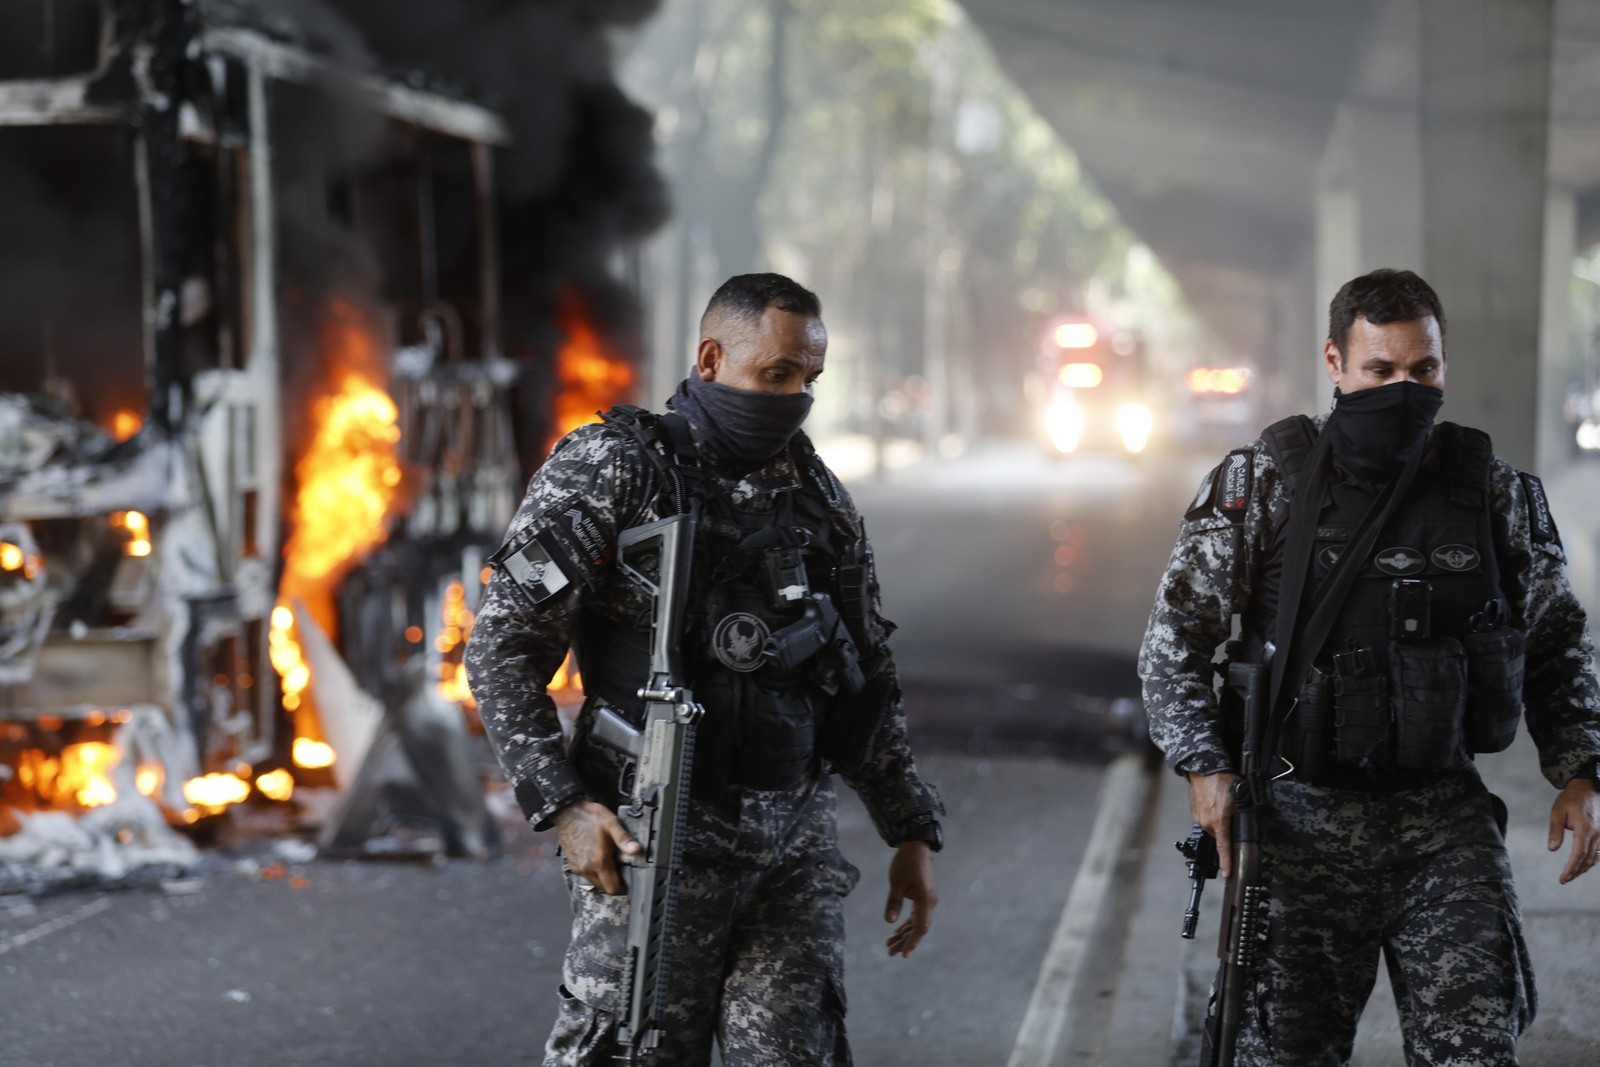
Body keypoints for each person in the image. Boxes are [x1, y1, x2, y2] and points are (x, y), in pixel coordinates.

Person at [465, 273, 943, 1066]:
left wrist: (910, 828)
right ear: (712, 357)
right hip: (652, 840)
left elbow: (865, 678)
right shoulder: (614, 468)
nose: (793, 398)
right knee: (634, 1050)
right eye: (776, 375)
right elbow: (503, 646)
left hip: (791, 849)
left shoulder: (818, 495)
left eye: (808, 381)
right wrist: (563, 805)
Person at [1139, 268, 1600, 1065]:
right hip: (1298, 826)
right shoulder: (1262, 488)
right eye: (1380, 371)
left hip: (1443, 824)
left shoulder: (1496, 494)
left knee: (1476, 1051)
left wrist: (1582, 769)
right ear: (1335, 363)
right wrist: (1203, 764)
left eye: (1423, 370)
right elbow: (1172, 639)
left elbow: (1558, 642)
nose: (1404, 389)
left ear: (1444, 366)